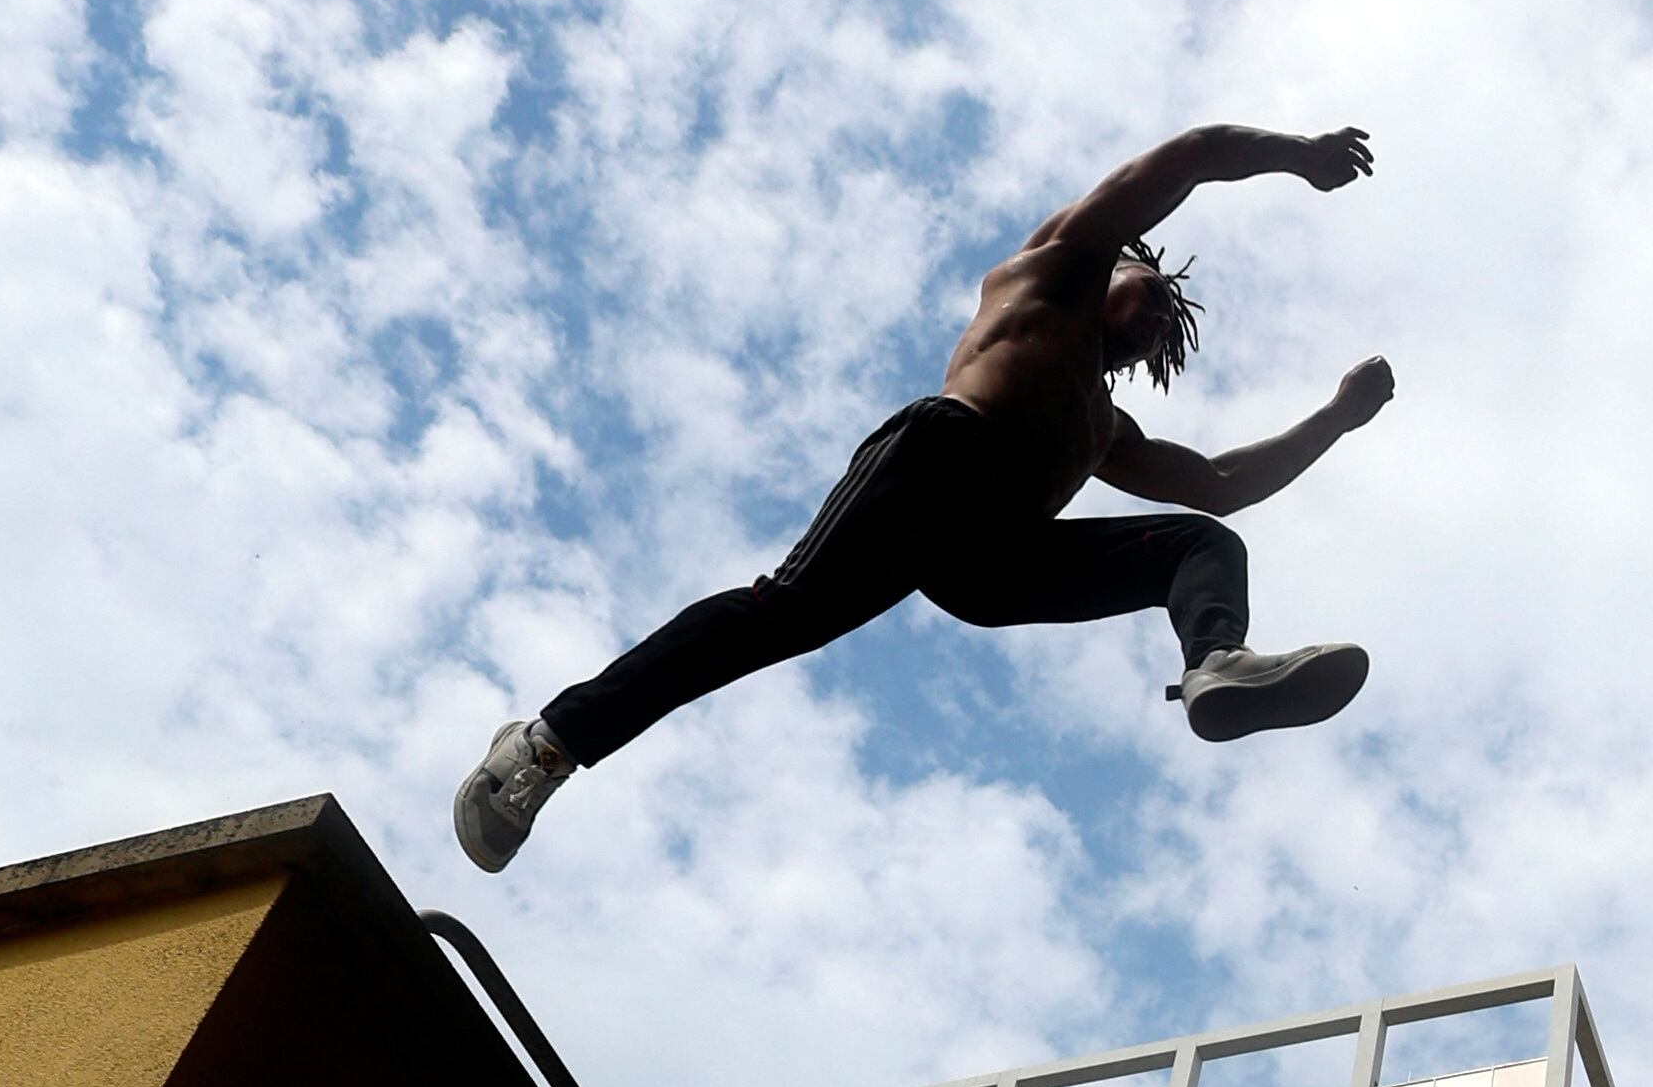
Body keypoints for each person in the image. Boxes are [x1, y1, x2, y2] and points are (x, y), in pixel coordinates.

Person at [454, 122, 1398, 872]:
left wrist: (1336, 419)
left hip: (994, 562)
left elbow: (1224, 483)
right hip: (938, 465)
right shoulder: (1054, 268)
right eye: (1150, 290)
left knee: (1199, 543)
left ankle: (1216, 663)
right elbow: (1189, 156)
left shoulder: (1102, 426)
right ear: (1113, 265)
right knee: (777, 617)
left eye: (1163, 326)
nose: (1156, 317)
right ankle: (541, 748)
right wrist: (1296, 158)